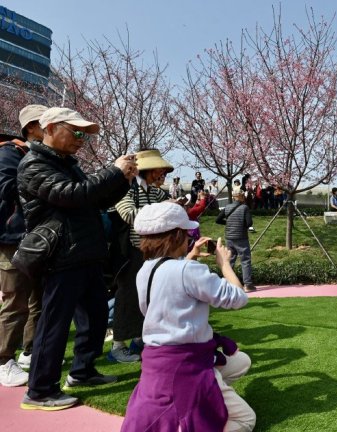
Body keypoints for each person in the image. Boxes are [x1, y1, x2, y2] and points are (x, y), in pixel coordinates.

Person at [18, 107, 137, 410]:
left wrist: (123, 179)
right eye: (76, 131)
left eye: (84, 134)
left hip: (85, 253)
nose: (82, 139)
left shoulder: (66, 163)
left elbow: (94, 200)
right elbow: (72, 195)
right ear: (50, 128)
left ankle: (82, 372)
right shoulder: (33, 164)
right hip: (60, 256)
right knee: (54, 325)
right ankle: (40, 390)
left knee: (95, 319)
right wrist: (112, 170)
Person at [120, 202, 255, 431]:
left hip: (159, 361)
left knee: (241, 362)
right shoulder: (188, 271)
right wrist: (224, 265)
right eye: (188, 233)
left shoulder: (146, 270)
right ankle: (195, 404)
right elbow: (238, 297)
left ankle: (203, 397)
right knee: (245, 419)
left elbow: (158, 299)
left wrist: (189, 259)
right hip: (188, 364)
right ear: (176, 237)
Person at [111, 149, 173, 363]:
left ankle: (140, 338)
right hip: (129, 252)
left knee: (146, 297)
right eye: (159, 169)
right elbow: (128, 214)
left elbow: (165, 208)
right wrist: (162, 210)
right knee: (127, 296)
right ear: (147, 169)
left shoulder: (155, 192)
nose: (162, 174)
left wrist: (172, 207)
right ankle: (117, 345)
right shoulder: (125, 189)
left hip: (150, 252)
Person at [0, 104, 47, 387]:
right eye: (46, 123)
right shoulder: (8, 153)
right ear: (31, 128)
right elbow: (5, 188)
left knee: (37, 301)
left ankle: (30, 352)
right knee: (15, 301)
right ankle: (4, 359)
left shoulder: (42, 155)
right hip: (12, 240)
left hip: (38, 239)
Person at [216, 190, 256, 292]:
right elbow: (249, 223)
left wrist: (228, 223)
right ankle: (248, 284)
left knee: (230, 260)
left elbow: (218, 220)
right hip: (241, 237)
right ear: (241, 196)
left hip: (229, 237)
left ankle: (227, 283)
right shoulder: (244, 208)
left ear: (234, 197)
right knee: (245, 260)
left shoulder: (228, 207)